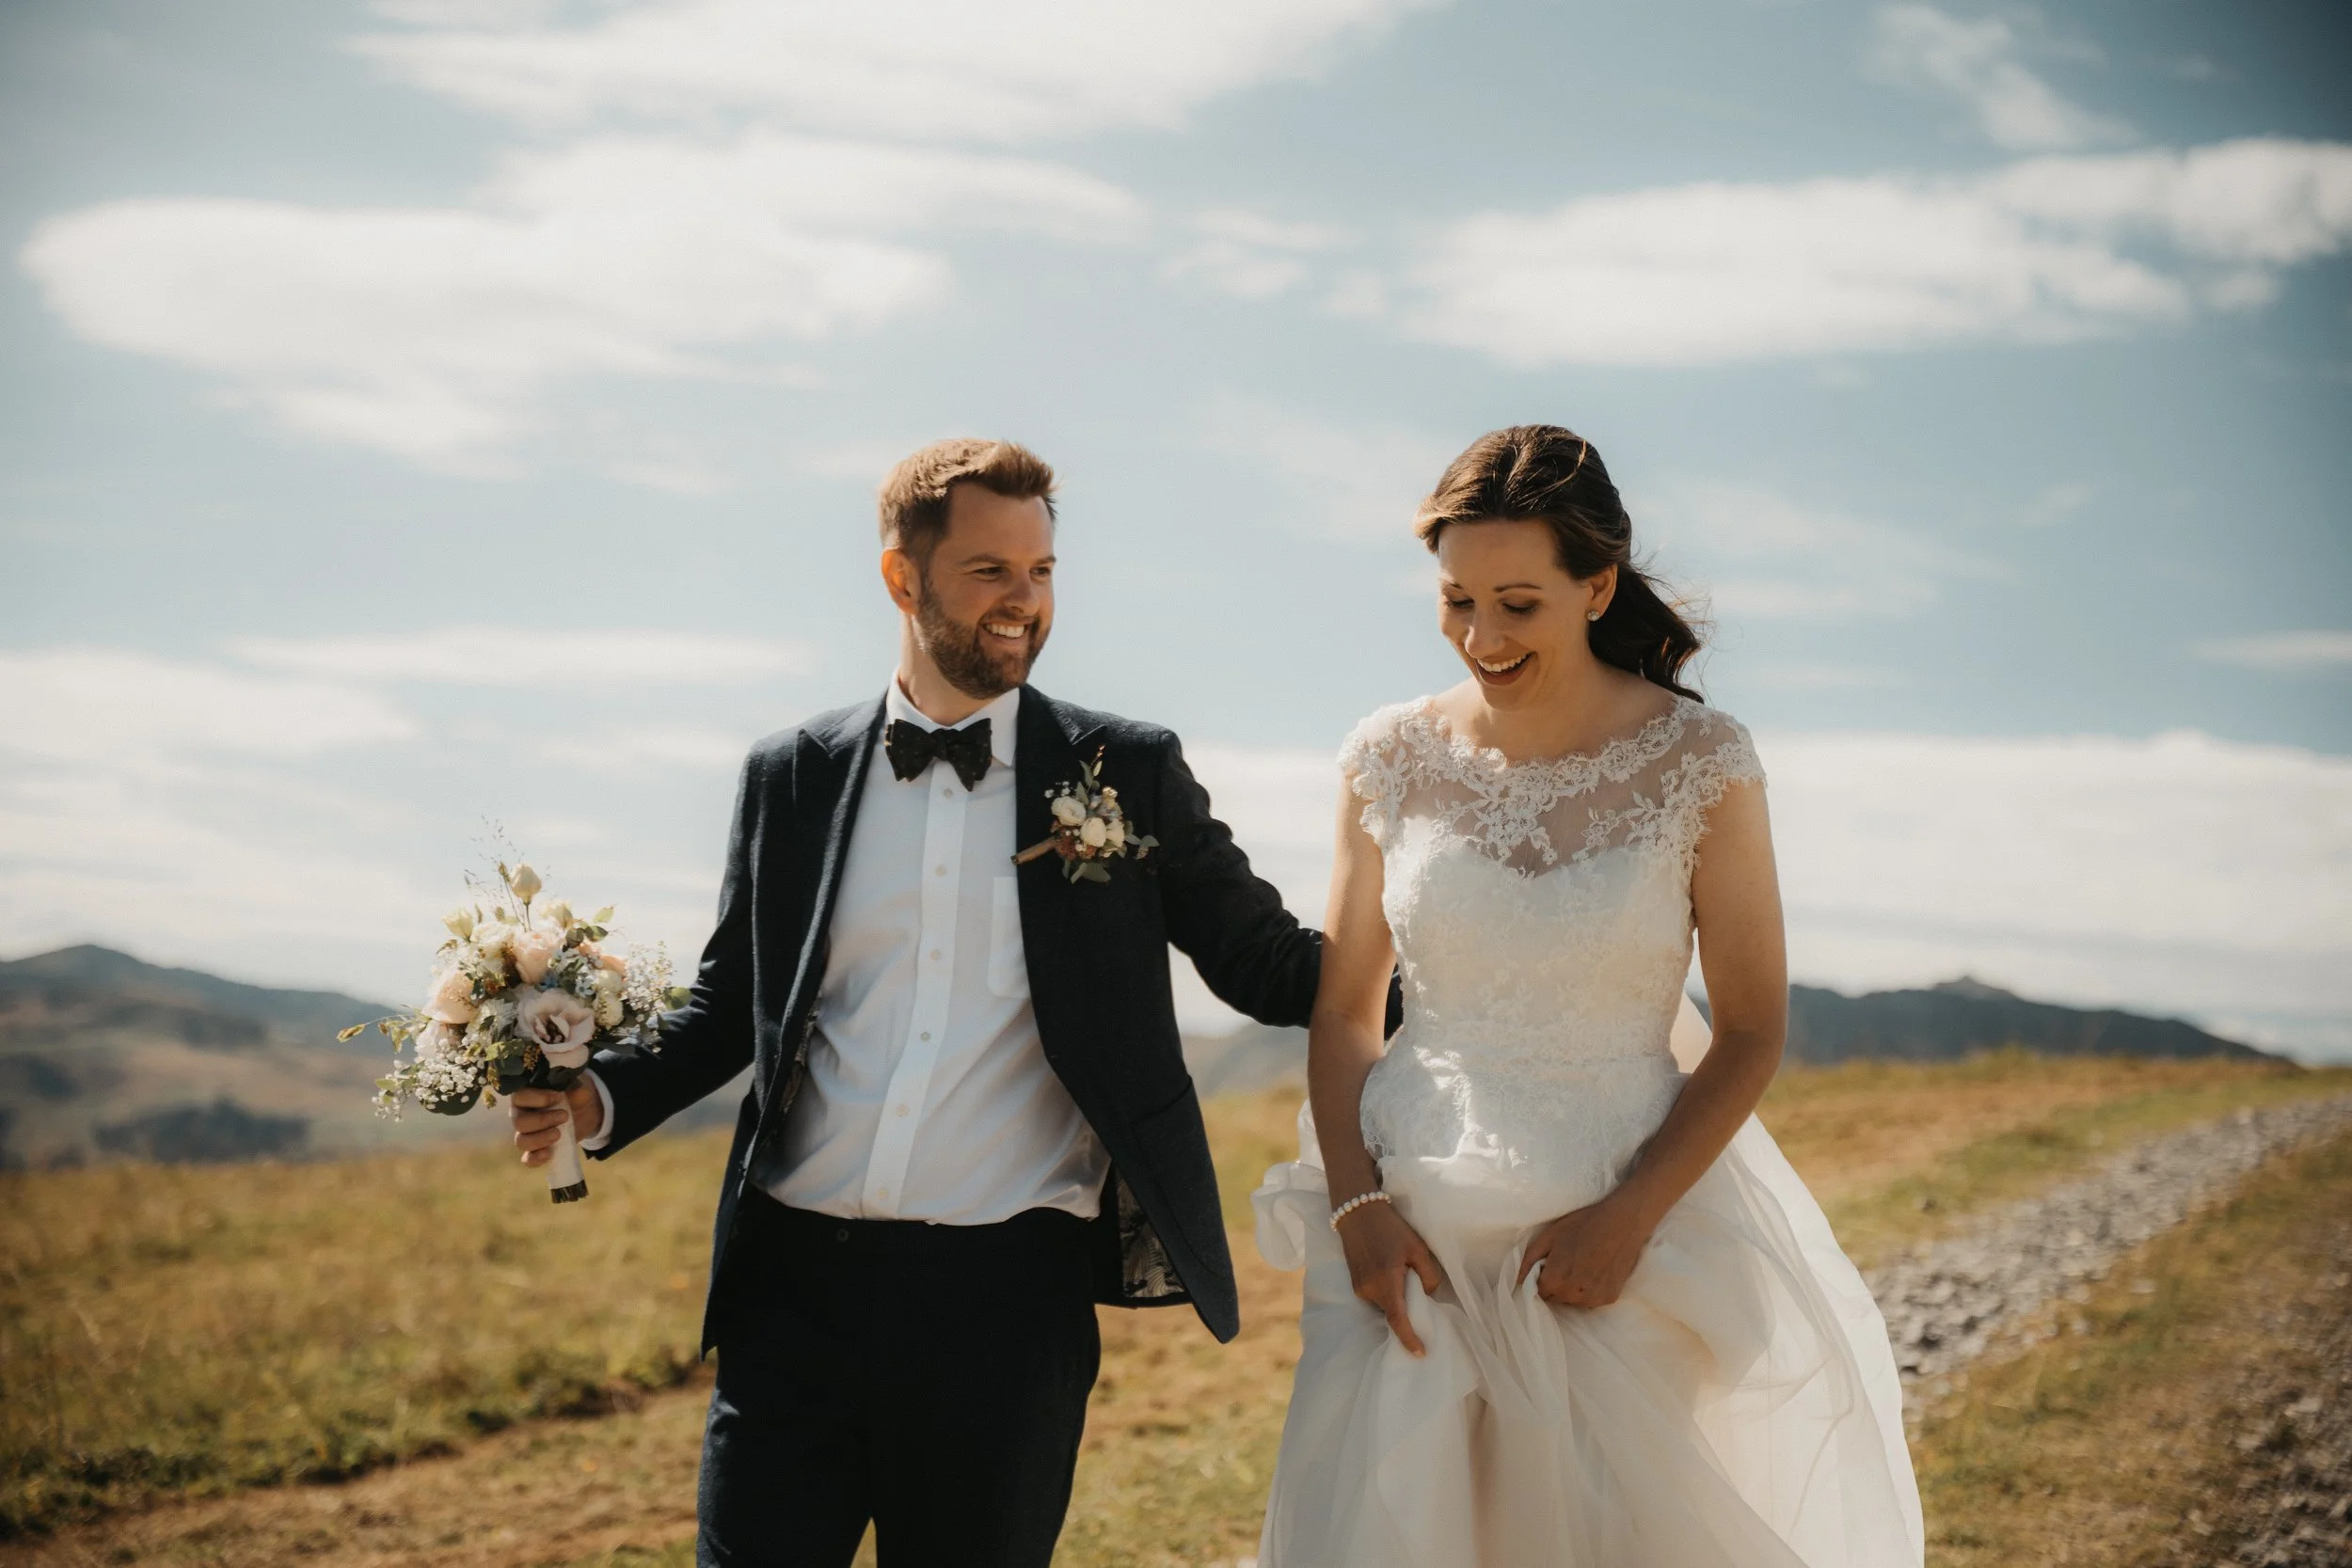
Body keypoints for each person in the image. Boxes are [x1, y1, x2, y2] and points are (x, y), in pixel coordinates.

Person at [508, 438, 1360, 1567]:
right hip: (791, 1293)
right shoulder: (792, 772)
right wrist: (597, 1099)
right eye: (989, 572)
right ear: (901, 579)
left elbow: (1265, 964)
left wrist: (1472, 975)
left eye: (1043, 571)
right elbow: (732, 999)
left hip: (1004, 1310)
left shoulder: (1124, 769)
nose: (1025, 603)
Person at [1250, 425, 1924, 1566]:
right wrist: (1359, 1211)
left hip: (1615, 1222)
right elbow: (1345, 1012)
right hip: (1414, 1227)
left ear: (1595, 585)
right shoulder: (1388, 756)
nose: (1481, 636)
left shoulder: (1700, 761)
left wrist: (1627, 1217)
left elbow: (1753, 1028)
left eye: (1517, 602)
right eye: (1456, 599)